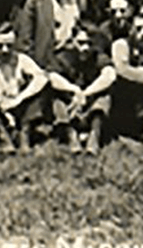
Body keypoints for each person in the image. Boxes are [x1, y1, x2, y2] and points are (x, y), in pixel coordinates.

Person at [0, 23, 50, 153]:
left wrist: (20, 98)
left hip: (17, 102)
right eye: (0, 46)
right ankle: (3, 136)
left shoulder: (21, 59)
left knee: (38, 94)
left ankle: (25, 135)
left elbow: (41, 77)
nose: (5, 50)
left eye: (9, 46)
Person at [46, 23, 115, 154]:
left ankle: (94, 138)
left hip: (90, 101)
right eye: (81, 43)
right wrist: (74, 90)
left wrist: (86, 93)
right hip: (70, 102)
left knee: (104, 98)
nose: (85, 48)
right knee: (57, 101)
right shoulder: (63, 57)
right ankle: (72, 136)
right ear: (72, 42)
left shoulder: (98, 57)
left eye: (89, 43)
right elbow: (52, 77)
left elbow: (110, 75)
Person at [16, 0, 89, 70]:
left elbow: (88, 27)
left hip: (76, 59)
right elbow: (25, 40)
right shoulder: (37, 1)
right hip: (49, 61)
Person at [110, 12, 143, 140]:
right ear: (131, 30)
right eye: (139, 28)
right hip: (124, 97)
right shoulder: (121, 45)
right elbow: (122, 70)